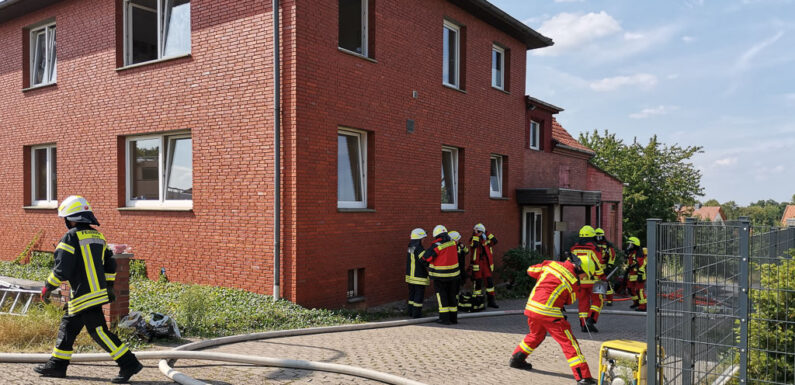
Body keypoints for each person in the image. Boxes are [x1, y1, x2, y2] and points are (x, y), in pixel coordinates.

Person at [35, 196, 143, 383]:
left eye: (66, 218)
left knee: (98, 332)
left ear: (72, 218)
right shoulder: (98, 236)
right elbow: (110, 265)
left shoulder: (70, 237)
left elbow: (62, 269)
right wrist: (109, 286)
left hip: (85, 296)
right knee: (68, 326)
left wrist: (47, 287)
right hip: (92, 294)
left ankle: (129, 363)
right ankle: (58, 365)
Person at [508, 252, 598, 384]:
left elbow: (531, 270)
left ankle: (517, 359)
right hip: (549, 313)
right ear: (580, 268)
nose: (585, 278)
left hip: (532, 307)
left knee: (535, 335)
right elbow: (569, 301)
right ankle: (583, 377)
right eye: (586, 275)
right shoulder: (573, 282)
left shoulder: (551, 265)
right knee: (569, 343)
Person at [419, 225, 460, 325]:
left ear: (436, 235)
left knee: (442, 297)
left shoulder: (436, 245)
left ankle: (444, 319)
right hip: (454, 276)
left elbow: (424, 259)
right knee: (452, 296)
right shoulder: (453, 243)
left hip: (440, 277)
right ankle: (453, 319)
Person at [569, 225, 604, 333]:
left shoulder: (574, 249)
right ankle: (591, 320)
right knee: (598, 300)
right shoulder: (593, 249)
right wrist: (602, 277)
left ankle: (584, 325)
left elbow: (570, 264)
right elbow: (598, 264)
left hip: (580, 280)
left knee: (583, 302)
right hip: (595, 280)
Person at [469, 223, 499, 309]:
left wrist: (486, 232)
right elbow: (474, 244)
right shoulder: (473, 239)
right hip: (477, 265)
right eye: (476, 231)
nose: (478, 233)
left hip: (486, 265)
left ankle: (491, 301)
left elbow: (495, 240)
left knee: (489, 283)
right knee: (477, 284)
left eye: (479, 231)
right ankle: (477, 303)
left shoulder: (486, 240)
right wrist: (475, 233)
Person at [405, 228, 430, 318]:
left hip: (410, 276)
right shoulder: (419, 248)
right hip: (418, 276)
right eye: (423, 238)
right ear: (419, 239)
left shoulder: (411, 246)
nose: (424, 240)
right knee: (418, 296)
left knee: (412, 295)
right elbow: (424, 260)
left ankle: (410, 312)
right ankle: (416, 314)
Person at [594, 228, 617, 306]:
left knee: (606, 283)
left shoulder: (607, 245)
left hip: (604, 267)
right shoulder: (593, 244)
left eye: (600, 236)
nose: (598, 238)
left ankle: (609, 300)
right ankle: (600, 300)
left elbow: (612, 255)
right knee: (597, 284)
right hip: (595, 267)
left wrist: (610, 265)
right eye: (597, 236)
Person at [624, 237, 647, 311]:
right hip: (631, 275)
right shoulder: (631, 253)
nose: (629, 246)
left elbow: (642, 264)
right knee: (630, 289)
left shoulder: (639, 253)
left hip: (639, 275)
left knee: (639, 290)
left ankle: (643, 306)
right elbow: (629, 263)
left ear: (635, 245)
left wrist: (640, 274)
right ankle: (636, 302)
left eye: (631, 244)